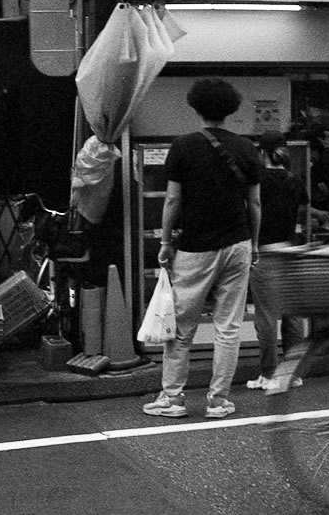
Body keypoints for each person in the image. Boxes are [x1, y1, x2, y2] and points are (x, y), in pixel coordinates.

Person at [144, 78, 263, 419]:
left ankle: (173, 398)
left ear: (195, 107)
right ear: (231, 109)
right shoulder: (246, 148)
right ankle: (218, 401)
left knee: (181, 326)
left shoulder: (183, 146)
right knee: (228, 326)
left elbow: (172, 199)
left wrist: (166, 242)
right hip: (237, 243)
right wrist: (253, 244)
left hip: (195, 247)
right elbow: (254, 202)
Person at [245, 131, 307, 391]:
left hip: (265, 252)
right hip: (291, 250)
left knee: (267, 317)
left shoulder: (259, 181)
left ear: (262, 152)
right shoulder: (294, 180)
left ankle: (269, 374)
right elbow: (302, 216)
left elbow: (251, 211)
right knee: (292, 314)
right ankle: (293, 373)